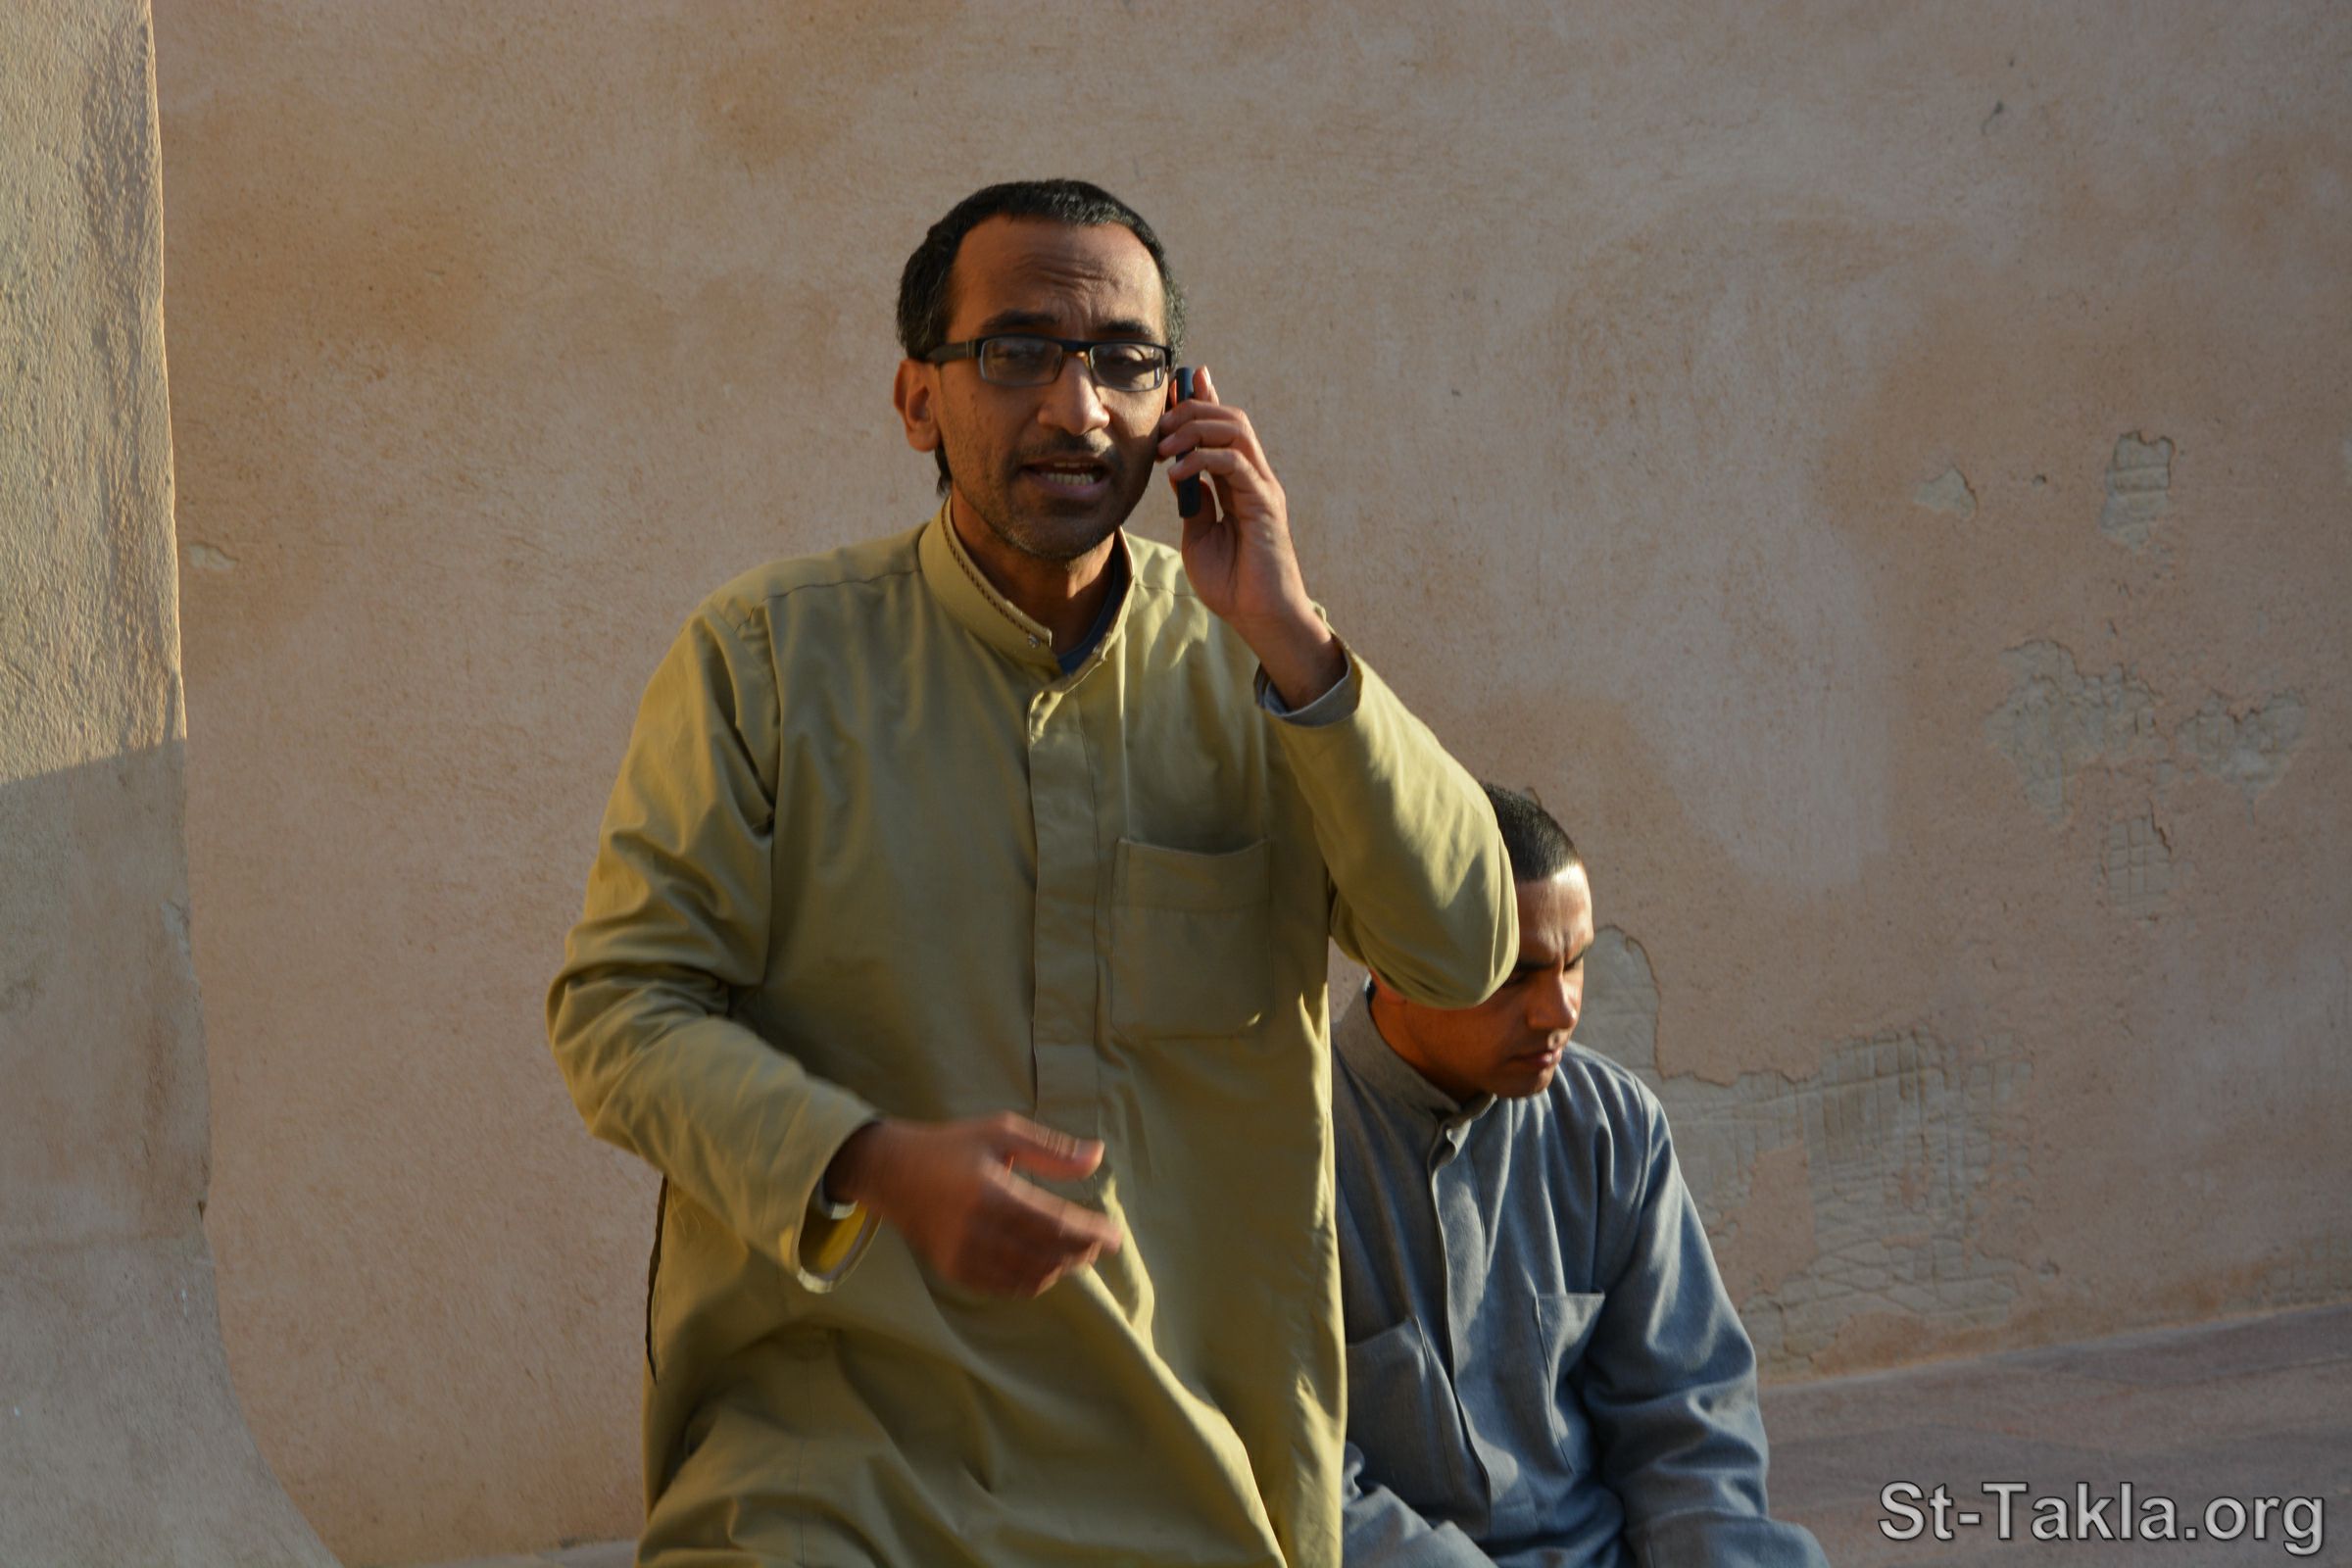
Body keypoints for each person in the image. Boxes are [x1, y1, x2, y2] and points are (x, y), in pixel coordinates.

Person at [547, 178, 1517, 1567]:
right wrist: (870, 1161)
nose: (1079, 410)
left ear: (1181, 404)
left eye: (1124, 360)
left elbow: (1464, 953)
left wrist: (1295, 635)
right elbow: (618, 1013)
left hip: (1193, 1478)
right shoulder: (766, 661)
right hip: (831, 1463)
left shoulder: (1264, 672)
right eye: (1017, 354)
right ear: (917, 399)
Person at [1335, 784, 1827, 1567]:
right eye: (1515, 975)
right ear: (1394, 965)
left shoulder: (1611, 1126)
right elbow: (1303, 1481)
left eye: (1575, 963)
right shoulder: (1284, 1155)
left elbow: (1686, 1421)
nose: (1559, 1010)